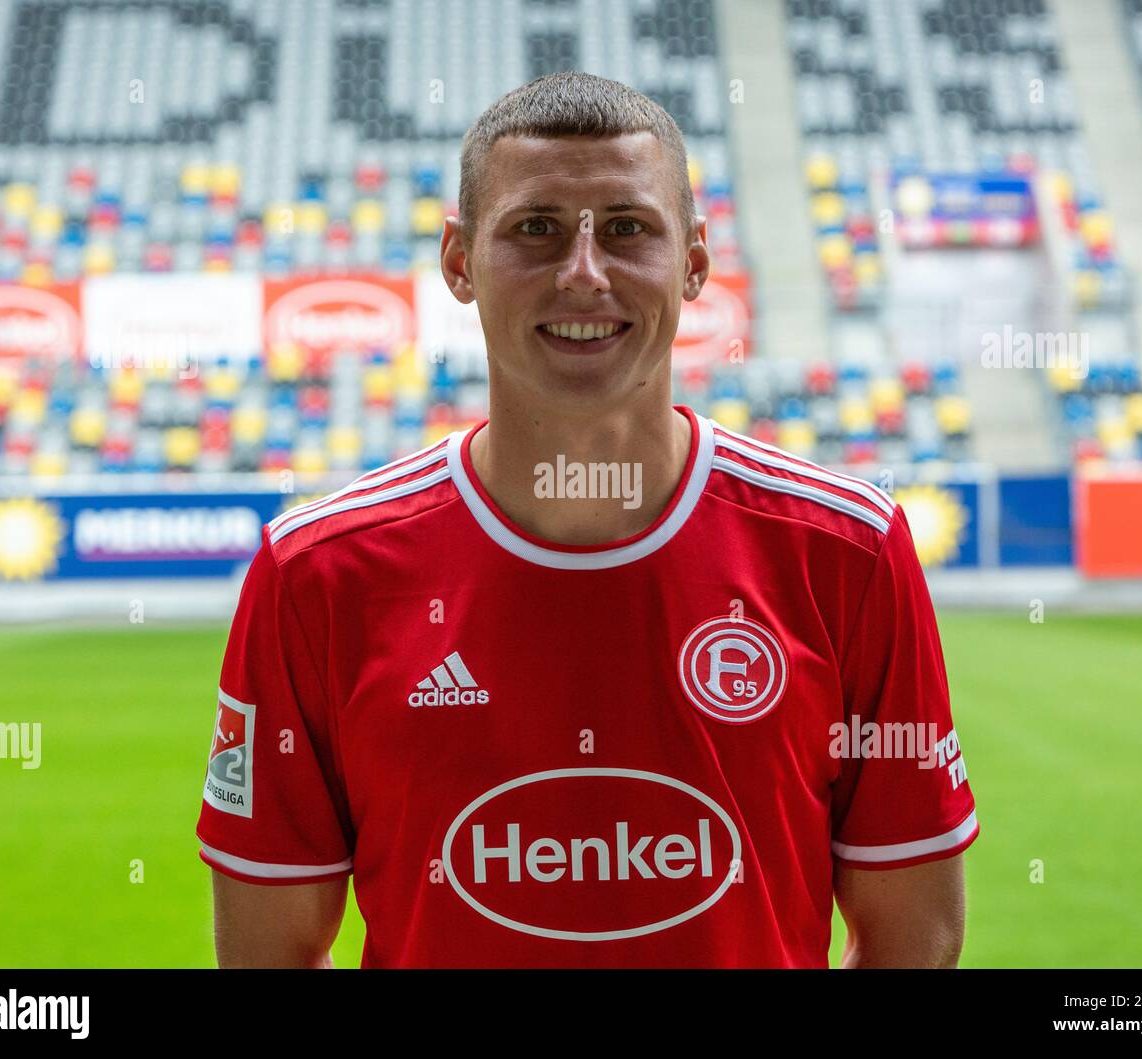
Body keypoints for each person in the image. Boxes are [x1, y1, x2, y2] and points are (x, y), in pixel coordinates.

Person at [196, 70, 978, 968]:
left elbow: (914, 935)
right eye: (535, 228)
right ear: (458, 260)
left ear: (693, 261)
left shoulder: (847, 550)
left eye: (626, 228)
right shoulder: (316, 573)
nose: (583, 273)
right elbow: (267, 952)